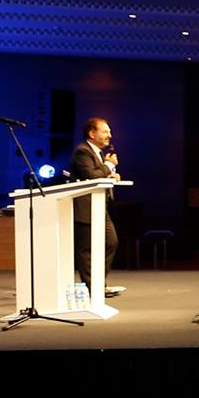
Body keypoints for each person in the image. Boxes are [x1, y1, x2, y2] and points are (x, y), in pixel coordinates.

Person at [68, 116, 121, 287]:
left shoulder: (97, 153)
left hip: (100, 207)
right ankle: (93, 288)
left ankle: (99, 283)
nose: (109, 135)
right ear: (92, 133)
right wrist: (109, 166)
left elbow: (98, 174)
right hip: (85, 207)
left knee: (111, 242)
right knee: (87, 250)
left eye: (109, 132)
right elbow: (90, 176)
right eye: (105, 131)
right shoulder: (82, 151)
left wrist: (111, 175)